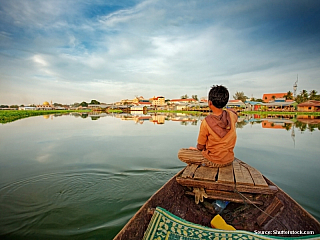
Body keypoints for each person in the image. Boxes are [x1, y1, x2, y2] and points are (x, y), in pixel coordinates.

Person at [178, 85, 238, 168]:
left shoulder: (206, 122)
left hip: (212, 161)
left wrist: (198, 150)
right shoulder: (232, 116)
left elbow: (200, 146)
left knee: (181, 153)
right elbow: (234, 112)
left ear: (210, 103)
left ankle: (202, 163)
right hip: (229, 160)